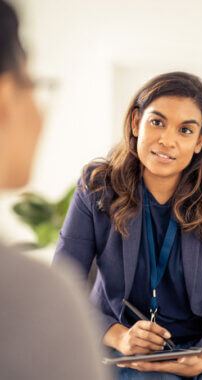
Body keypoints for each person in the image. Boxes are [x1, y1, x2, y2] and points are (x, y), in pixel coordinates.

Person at [54, 71, 202, 379]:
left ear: (200, 142)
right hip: (128, 339)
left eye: (185, 130)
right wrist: (119, 336)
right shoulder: (96, 186)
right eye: (157, 122)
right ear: (137, 122)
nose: (168, 140)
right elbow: (62, 285)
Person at [0, 1, 110, 379]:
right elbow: (72, 270)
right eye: (33, 86)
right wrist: (118, 333)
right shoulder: (32, 303)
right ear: (6, 101)